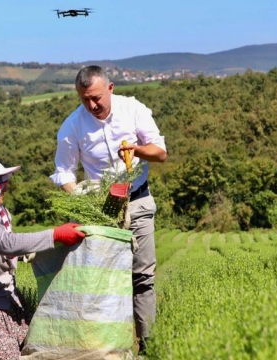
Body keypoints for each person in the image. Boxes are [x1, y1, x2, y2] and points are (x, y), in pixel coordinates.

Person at [50, 65, 167, 354]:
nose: (92, 105)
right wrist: (77, 195)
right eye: (85, 99)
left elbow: (161, 152)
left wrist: (135, 150)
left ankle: (147, 346)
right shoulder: (73, 126)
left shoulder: (134, 110)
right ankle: (107, 347)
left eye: (97, 98)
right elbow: (63, 171)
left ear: (111, 88)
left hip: (137, 202)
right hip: (100, 211)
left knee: (141, 278)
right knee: (101, 282)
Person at [0, 155, 86, 360]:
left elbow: (4, 247)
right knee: (8, 356)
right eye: (1, 183)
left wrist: (27, 254)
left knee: (41, 348)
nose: (6, 187)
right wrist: (55, 235)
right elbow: (6, 243)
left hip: (7, 300)